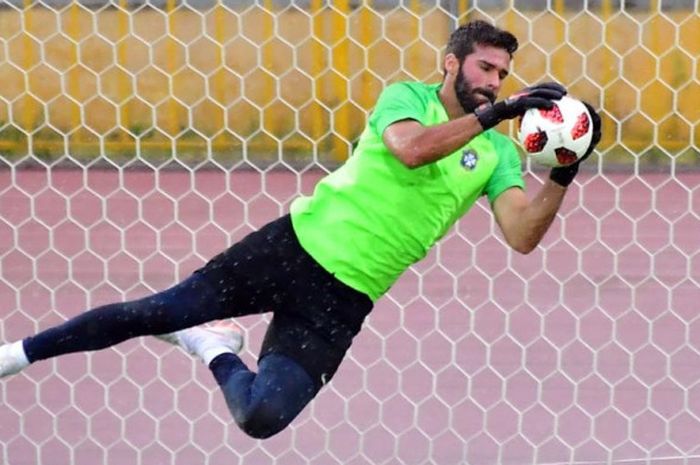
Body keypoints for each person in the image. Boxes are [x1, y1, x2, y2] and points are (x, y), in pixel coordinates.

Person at [0, 20, 601, 439]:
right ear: (451, 63)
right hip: (291, 248)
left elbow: (521, 234)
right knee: (157, 311)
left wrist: (564, 174)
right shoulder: (406, 98)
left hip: (343, 300)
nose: (495, 82)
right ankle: (19, 354)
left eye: (502, 75)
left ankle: (211, 347)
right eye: (485, 68)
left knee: (262, 418)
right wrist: (493, 115)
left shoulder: (495, 155)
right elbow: (411, 151)